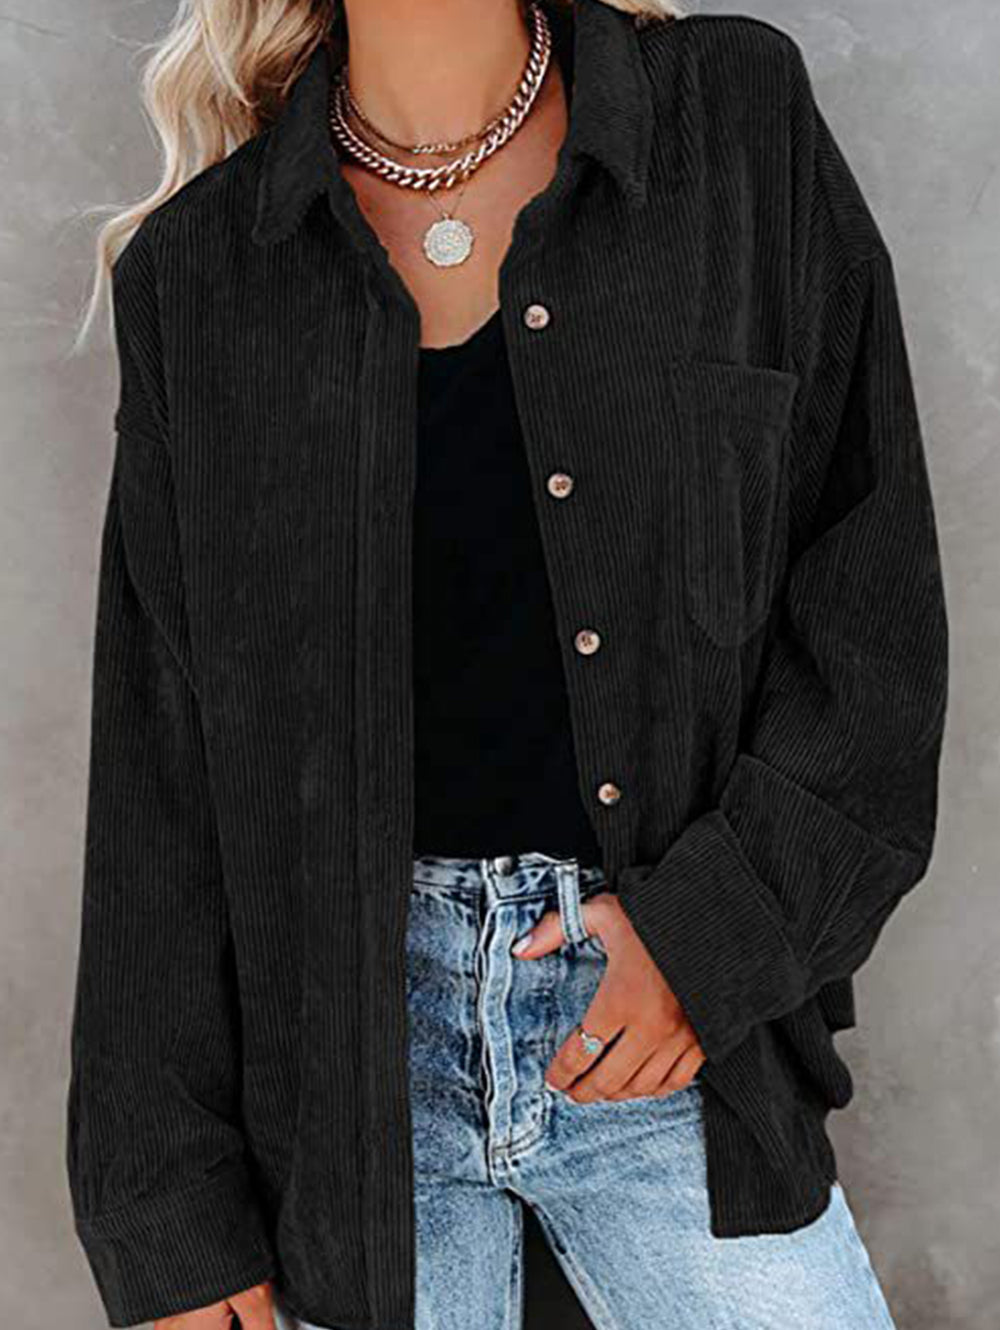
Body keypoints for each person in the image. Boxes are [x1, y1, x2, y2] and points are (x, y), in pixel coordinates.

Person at [66, 0, 949, 1327]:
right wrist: (169, 1225)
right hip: (343, 1099)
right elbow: (160, 782)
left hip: (666, 1039)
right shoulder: (199, 277)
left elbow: (870, 620)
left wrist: (710, 937)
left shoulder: (734, 122)